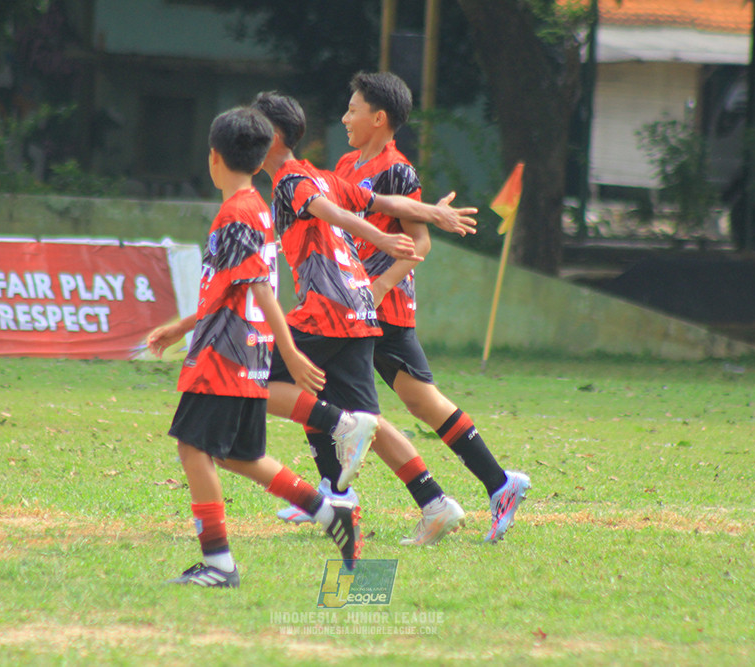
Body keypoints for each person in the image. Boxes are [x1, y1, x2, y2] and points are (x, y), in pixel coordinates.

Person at [285, 72, 532, 543]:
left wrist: (377, 289)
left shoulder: (399, 170)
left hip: (384, 309)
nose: (345, 118)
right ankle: (345, 493)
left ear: (378, 118)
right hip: (352, 306)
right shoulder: (346, 163)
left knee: (408, 402)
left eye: (353, 109)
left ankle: (492, 485)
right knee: (335, 393)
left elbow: (419, 243)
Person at [146, 107, 360, 588]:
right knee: (240, 456)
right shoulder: (256, 208)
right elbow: (230, 287)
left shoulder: (237, 213)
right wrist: (181, 328)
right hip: (243, 350)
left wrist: (294, 352)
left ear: (213, 158)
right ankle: (328, 512)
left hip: (225, 353)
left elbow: (261, 289)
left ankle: (218, 562)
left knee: (193, 448)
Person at [252, 91, 471, 546]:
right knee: (366, 419)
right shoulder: (324, 176)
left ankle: (337, 462)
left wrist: (382, 240)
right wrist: (433, 213)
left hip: (327, 310)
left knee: (248, 382)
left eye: (247, 131)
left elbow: (334, 212)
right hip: (359, 309)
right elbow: (389, 204)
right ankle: (434, 503)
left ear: (271, 138)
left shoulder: (293, 181)